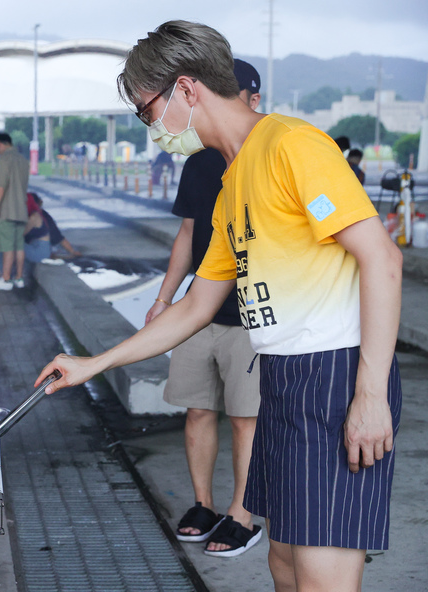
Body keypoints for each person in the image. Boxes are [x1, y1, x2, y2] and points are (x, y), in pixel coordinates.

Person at [37, 21, 401, 592]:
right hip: (282, 377)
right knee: (283, 559)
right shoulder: (233, 183)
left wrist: (371, 394)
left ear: (185, 90)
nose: (150, 127)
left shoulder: (292, 144)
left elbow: (382, 259)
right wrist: (93, 364)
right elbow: (195, 306)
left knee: (322, 574)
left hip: (334, 374)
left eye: (145, 110)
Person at [144, 59, 263, 558]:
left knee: (245, 417)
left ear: (253, 100)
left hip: (254, 313)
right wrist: (164, 298)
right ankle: (203, 505)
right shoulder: (199, 161)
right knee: (198, 410)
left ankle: (242, 513)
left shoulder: (269, 155)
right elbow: (190, 234)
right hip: (201, 307)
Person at [0, 133, 29, 291]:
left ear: (0, 144)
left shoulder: (5, 158)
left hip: (7, 209)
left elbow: (1, 184)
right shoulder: (23, 160)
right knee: (19, 246)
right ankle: (19, 278)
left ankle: (5, 280)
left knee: (7, 246)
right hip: (21, 210)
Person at [23, 192, 51, 263]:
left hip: (38, 250)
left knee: (10, 245)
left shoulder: (34, 217)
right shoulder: (36, 213)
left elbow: (22, 233)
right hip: (38, 247)